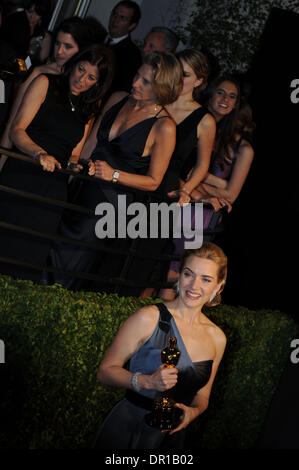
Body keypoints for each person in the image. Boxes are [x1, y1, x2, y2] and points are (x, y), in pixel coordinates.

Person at [48, 50, 183, 291]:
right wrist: (73, 168)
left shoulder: (165, 127)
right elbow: (91, 144)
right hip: (81, 187)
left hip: (108, 206)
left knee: (68, 269)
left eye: (145, 82)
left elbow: (154, 181)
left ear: (162, 88)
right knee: (49, 248)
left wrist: (115, 175)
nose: (135, 83)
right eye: (136, 76)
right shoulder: (119, 98)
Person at [92, 242, 227, 449]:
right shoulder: (148, 318)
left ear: (218, 285)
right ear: (179, 275)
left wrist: (193, 412)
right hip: (128, 430)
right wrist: (146, 381)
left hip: (171, 437)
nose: (194, 286)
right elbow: (104, 372)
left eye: (206, 279)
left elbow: (202, 396)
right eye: (189, 274)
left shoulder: (217, 338)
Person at [0, 44, 114, 281]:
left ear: (97, 83)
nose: (81, 79)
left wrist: (81, 166)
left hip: (52, 188)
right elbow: (17, 130)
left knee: (29, 256)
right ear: (73, 65)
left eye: (91, 77)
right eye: (81, 69)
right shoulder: (45, 82)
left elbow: (73, 154)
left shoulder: (87, 109)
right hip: (23, 172)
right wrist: (39, 154)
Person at [162, 76, 255, 300]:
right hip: (175, 201)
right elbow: (176, 169)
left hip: (200, 217)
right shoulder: (194, 125)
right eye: (221, 92)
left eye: (232, 96)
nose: (225, 100)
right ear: (211, 93)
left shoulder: (242, 147)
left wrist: (201, 177)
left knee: (179, 272)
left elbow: (230, 194)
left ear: (237, 103)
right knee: (155, 267)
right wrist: (208, 181)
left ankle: (167, 328)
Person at [0, 16, 94, 160]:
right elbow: (12, 124)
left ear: (82, 50)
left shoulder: (85, 86)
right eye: (57, 43)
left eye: (68, 46)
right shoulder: (39, 73)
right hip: (25, 159)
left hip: (56, 170)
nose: (60, 51)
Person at [104, 0, 142, 94]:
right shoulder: (94, 38)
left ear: (132, 26)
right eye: (114, 14)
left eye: (122, 18)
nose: (115, 20)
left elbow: (122, 89)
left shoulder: (132, 55)